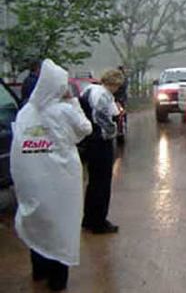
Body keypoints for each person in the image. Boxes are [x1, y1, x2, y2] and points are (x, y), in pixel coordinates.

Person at [10, 59, 92, 291]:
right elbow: (86, 129)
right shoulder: (65, 110)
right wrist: (74, 100)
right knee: (60, 223)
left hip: (33, 179)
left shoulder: (27, 111)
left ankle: (39, 271)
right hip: (61, 179)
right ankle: (58, 279)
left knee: (39, 221)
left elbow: (18, 144)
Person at [81, 69, 124, 234]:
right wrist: (113, 130)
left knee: (93, 182)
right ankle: (99, 221)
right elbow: (101, 117)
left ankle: (88, 218)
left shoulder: (89, 89)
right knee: (102, 182)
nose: (118, 89)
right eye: (117, 85)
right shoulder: (103, 95)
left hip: (89, 141)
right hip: (100, 141)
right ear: (113, 83)